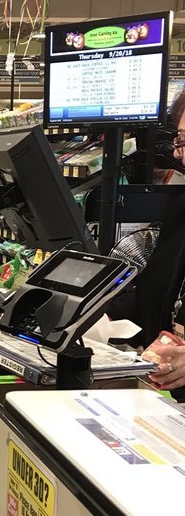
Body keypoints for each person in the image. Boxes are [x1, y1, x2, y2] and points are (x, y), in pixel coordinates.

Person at [112, 90, 185, 392]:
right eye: (179, 140)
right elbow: (155, 294)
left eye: (183, 141)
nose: (177, 153)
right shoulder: (180, 211)